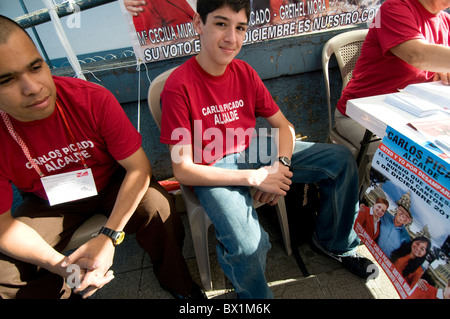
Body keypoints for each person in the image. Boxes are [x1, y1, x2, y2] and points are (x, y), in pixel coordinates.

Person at [159, 0, 377, 299]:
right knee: (249, 244)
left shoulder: (244, 72)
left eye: (240, 28)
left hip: (254, 151)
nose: (231, 38)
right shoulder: (177, 87)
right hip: (212, 169)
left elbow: (283, 126)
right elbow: (182, 169)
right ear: (199, 24)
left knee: (339, 159)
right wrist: (255, 179)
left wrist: (279, 166)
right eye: (221, 24)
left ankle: (334, 242)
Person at [0, 15, 204, 300]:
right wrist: (62, 267)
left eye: (35, 67)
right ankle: (71, 289)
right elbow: (3, 225)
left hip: (110, 182)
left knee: (158, 206)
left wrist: (109, 236)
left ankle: (180, 286)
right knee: (3, 273)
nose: (32, 87)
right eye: (6, 80)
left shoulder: (91, 99)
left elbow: (138, 168)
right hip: (49, 200)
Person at [334, 0, 450, 163]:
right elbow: (416, 55)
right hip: (359, 116)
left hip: (412, 117)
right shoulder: (392, 8)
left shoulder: (446, 21)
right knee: (407, 160)